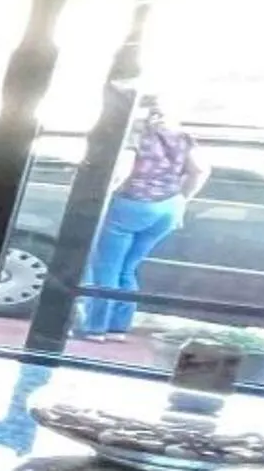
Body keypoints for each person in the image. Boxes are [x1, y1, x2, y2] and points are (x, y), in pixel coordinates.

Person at [76, 93, 207, 340]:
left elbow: (122, 171)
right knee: (129, 267)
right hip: (168, 207)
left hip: (131, 204)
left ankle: (94, 328)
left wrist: (104, 194)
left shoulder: (134, 135)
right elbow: (200, 170)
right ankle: (118, 328)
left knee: (107, 268)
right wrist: (181, 198)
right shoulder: (183, 137)